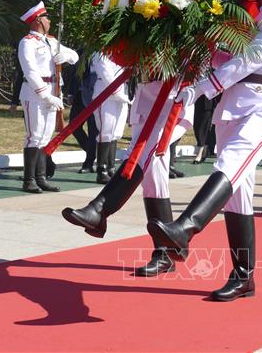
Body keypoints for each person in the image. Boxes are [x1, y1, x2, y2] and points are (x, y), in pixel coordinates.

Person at [146, 0, 262, 301]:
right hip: (231, 106)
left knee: (228, 165)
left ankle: (186, 227)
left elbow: (248, 60)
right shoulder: (241, 15)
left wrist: (203, 88)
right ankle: (244, 276)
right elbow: (220, 55)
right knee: (238, 196)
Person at [62, 72, 194, 276]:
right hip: (145, 106)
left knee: (141, 157)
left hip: (171, 104)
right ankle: (165, 254)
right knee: (153, 181)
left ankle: (100, 209)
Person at [18, 1, 78, 193]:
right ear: (37, 20)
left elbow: (75, 56)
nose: (49, 20)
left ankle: (41, 177)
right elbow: (30, 71)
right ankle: (29, 179)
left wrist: (67, 57)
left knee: (45, 136)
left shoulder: (52, 41)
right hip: (35, 93)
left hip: (54, 90)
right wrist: (45, 94)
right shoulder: (27, 42)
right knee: (34, 136)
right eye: (45, 17)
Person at [90, 52, 130, 184]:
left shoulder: (121, 53)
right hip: (105, 94)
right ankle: (101, 170)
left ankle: (111, 167)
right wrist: (119, 94)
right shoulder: (101, 54)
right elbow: (107, 76)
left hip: (120, 93)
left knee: (115, 133)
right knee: (106, 132)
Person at [67, 60, 99, 174]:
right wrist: (70, 92)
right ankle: (93, 153)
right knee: (73, 127)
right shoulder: (81, 53)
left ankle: (89, 162)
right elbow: (74, 73)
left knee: (93, 131)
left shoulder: (103, 53)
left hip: (94, 96)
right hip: (79, 96)